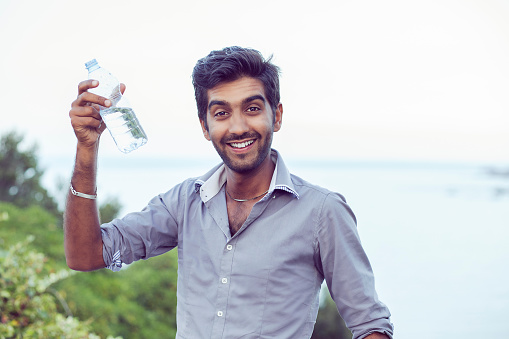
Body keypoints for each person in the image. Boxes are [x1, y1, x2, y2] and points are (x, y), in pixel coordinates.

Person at [65, 46, 394, 339]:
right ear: (205, 126)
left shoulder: (322, 212)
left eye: (252, 108)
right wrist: (86, 147)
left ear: (275, 116)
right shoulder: (184, 202)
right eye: (221, 113)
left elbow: (370, 326)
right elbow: (86, 255)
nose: (237, 127)